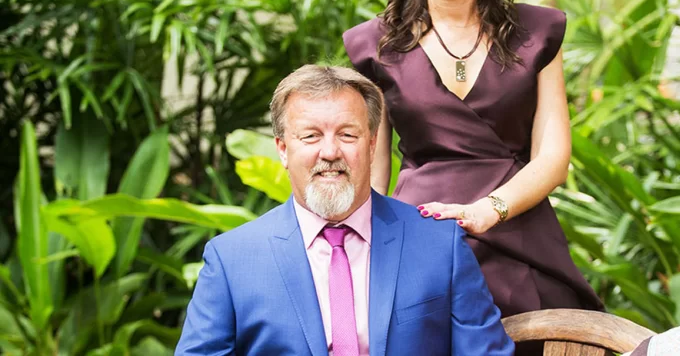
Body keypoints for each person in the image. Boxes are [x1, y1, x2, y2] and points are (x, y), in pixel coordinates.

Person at [343, 0, 603, 326]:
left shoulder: (539, 31)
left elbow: (553, 158)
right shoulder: (374, 46)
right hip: (419, 239)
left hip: (520, 235)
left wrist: (487, 211)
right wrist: (359, 257)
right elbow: (373, 172)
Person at [175, 65, 514, 355]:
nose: (330, 152)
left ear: (372, 144)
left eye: (347, 135)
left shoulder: (440, 245)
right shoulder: (231, 260)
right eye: (310, 136)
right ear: (282, 149)